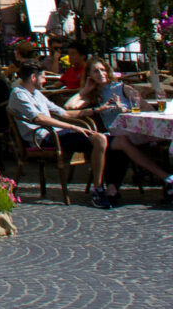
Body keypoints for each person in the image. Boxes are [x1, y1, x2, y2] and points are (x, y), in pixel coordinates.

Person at [9, 59, 110, 207]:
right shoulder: (19, 94)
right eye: (43, 77)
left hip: (56, 134)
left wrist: (95, 110)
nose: (45, 80)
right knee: (99, 140)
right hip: (43, 138)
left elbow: (64, 112)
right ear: (33, 78)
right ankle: (98, 190)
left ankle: (104, 186)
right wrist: (72, 127)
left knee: (103, 139)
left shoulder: (36, 93)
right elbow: (39, 118)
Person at [72, 57, 173, 203]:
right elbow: (69, 107)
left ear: (108, 71)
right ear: (90, 75)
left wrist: (125, 109)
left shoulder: (123, 88)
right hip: (114, 136)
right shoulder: (93, 95)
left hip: (135, 132)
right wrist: (85, 90)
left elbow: (146, 109)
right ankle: (167, 179)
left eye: (102, 69)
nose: (100, 73)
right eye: (95, 71)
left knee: (116, 143)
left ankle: (112, 189)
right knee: (116, 144)